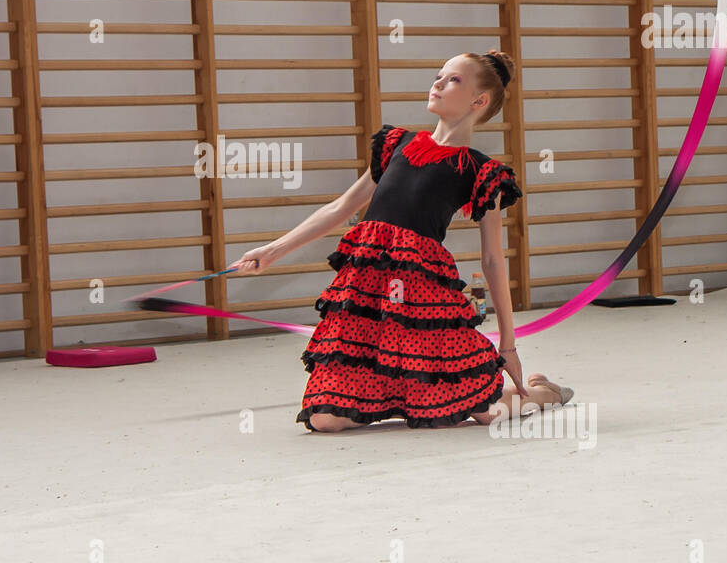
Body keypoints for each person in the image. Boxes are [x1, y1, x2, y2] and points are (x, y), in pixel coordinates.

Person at [232, 50, 573, 431]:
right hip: (366, 292)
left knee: (482, 413)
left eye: (453, 80)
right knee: (326, 420)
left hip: (421, 298)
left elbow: (493, 259)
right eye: (438, 75)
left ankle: (543, 392)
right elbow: (341, 207)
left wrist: (507, 344)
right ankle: (403, 397)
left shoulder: (480, 171)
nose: (438, 83)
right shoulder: (397, 145)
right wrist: (272, 250)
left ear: (480, 101)